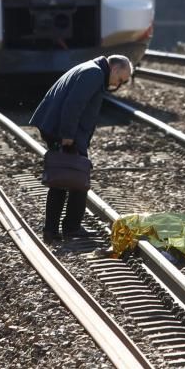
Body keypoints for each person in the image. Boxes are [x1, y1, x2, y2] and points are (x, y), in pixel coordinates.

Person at [30, 54, 133, 243]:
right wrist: (68, 135)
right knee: (77, 176)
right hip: (64, 130)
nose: (118, 86)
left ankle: (52, 230)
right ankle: (70, 228)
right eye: (120, 81)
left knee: (62, 178)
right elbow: (73, 105)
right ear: (116, 69)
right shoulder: (93, 74)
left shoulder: (91, 69)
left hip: (59, 127)